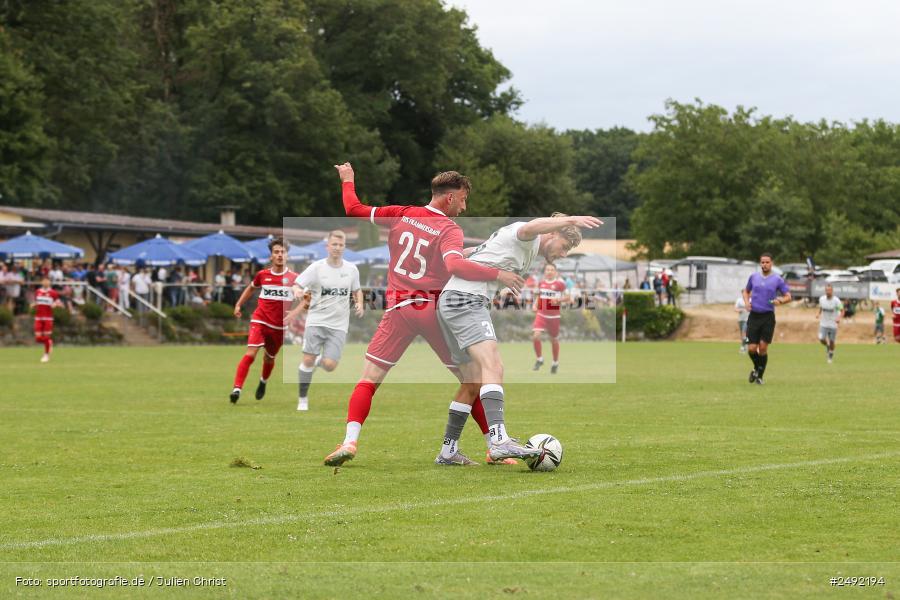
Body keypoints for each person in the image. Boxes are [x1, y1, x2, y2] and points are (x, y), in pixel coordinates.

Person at [323, 163, 524, 467]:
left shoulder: (402, 212)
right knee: (472, 380)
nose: (464, 206)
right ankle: (492, 447)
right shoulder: (449, 230)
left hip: (398, 310)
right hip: (432, 310)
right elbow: (454, 265)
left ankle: (350, 441)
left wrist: (348, 180)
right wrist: (498, 273)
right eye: (464, 199)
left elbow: (353, 208)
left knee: (369, 380)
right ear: (450, 198)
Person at [437, 213, 601, 465]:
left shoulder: (524, 247)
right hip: (465, 300)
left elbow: (473, 254)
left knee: (473, 382)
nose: (564, 254)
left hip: (452, 300)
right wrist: (572, 220)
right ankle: (500, 441)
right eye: (565, 246)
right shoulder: (528, 237)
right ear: (553, 233)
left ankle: (448, 452)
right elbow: (532, 226)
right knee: (494, 366)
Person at [287, 230, 364, 412]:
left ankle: (318, 361)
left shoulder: (352, 269)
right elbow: (296, 284)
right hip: (316, 321)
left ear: (344, 247)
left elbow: (357, 290)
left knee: (330, 366)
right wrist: (297, 291)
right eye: (334, 245)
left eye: (340, 245)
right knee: (307, 359)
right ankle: (303, 399)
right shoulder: (316, 268)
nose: (337, 248)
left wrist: (360, 303)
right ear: (327, 246)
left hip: (339, 326)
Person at [229, 237, 300, 404]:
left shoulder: (295, 278)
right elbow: (251, 288)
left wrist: (296, 304)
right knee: (250, 353)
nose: (280, 255)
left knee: (269, 358)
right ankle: (236, 389)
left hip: (279, 327)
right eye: (276, 252)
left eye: (282, 252)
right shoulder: (263, 275)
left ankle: (263, 381)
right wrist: (238, 304)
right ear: (271, 257)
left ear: (287, 256)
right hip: (260, 320)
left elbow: (305, 300)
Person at [742, 253, 791, 385]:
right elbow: (745, 291)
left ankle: (759, 376)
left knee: (763, 348)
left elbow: (788, 296)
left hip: (768, 317)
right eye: (762, 262)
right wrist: (746, 302)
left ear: (771, 263)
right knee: (752, 348)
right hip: (753, 316)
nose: (764, 264)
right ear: (760, 263)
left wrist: (780, 301)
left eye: (767, 262)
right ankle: (756, 368)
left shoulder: (777, 279)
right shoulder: (753, 277)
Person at [532, 262, 568, 373]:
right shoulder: (541, 283)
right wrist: (535, 304)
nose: (549, 272)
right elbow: (538, 296)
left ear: (555, 272)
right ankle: (539, 359)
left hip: (554, 317)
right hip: (541, 314)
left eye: (552, 270)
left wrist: (559, 300)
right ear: (544, 272)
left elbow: (568, 298)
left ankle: (555, 362)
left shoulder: (560, 284)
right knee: (536, 336)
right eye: (547, 270)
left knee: (554, 340)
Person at [31, 277, 62, 363]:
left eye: (47, 281)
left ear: (49, 282)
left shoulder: (53, 293)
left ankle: (46, 355)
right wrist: (33, 304)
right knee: (38, 338)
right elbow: (36, 302)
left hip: (48, 318)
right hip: (38, 317)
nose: (45, 282)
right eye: (44, 281)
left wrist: (55, 304)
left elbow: (59, 303)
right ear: (42, 282)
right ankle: (49, 342)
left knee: (46, 336)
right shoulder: (38, 292)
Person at [816, 284, 843, 363]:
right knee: (821, 338)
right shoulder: (822, 299)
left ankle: (830, 355)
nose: (828, 292)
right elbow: (821, 307)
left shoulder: (836, 301)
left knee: (832, 341)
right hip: (823, 323)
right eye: (826, 290)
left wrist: (839, 318)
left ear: (832, 291)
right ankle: (827, 346)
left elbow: (842, 310)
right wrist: (818, 313)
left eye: (829, 290)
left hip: (833, 324)